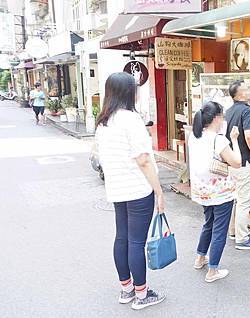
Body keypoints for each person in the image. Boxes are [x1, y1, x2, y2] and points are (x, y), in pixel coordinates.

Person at [95, 72, 165, 310]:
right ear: (129, 92)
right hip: (137, 188)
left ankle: (126, 289)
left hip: (117, 189)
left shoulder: (104, 120)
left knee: (122, 237)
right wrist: (159, 191)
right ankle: (142, 294)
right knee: (137, 242)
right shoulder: (130, 119)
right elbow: (143, 160)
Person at [189, 101, 242, 283]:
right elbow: (237, 162)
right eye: (222, 117)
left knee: (208, 224)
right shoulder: (219, 140)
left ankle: (200, 257)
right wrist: (234, 139)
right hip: (221, 192)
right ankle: (212, 271)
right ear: (217, 118)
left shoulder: (194, 136)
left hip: (202, 190)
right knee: (219, 230)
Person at [225, 80, 250, 250]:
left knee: (236, 199)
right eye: (246, 89)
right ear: (240, 94)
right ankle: (242, 238)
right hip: (244, 161)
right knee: (244, 201)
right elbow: (249, 135)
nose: (249, 91)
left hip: (231, 161)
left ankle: (233, 231)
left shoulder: (229, 111)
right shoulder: (247, 111)